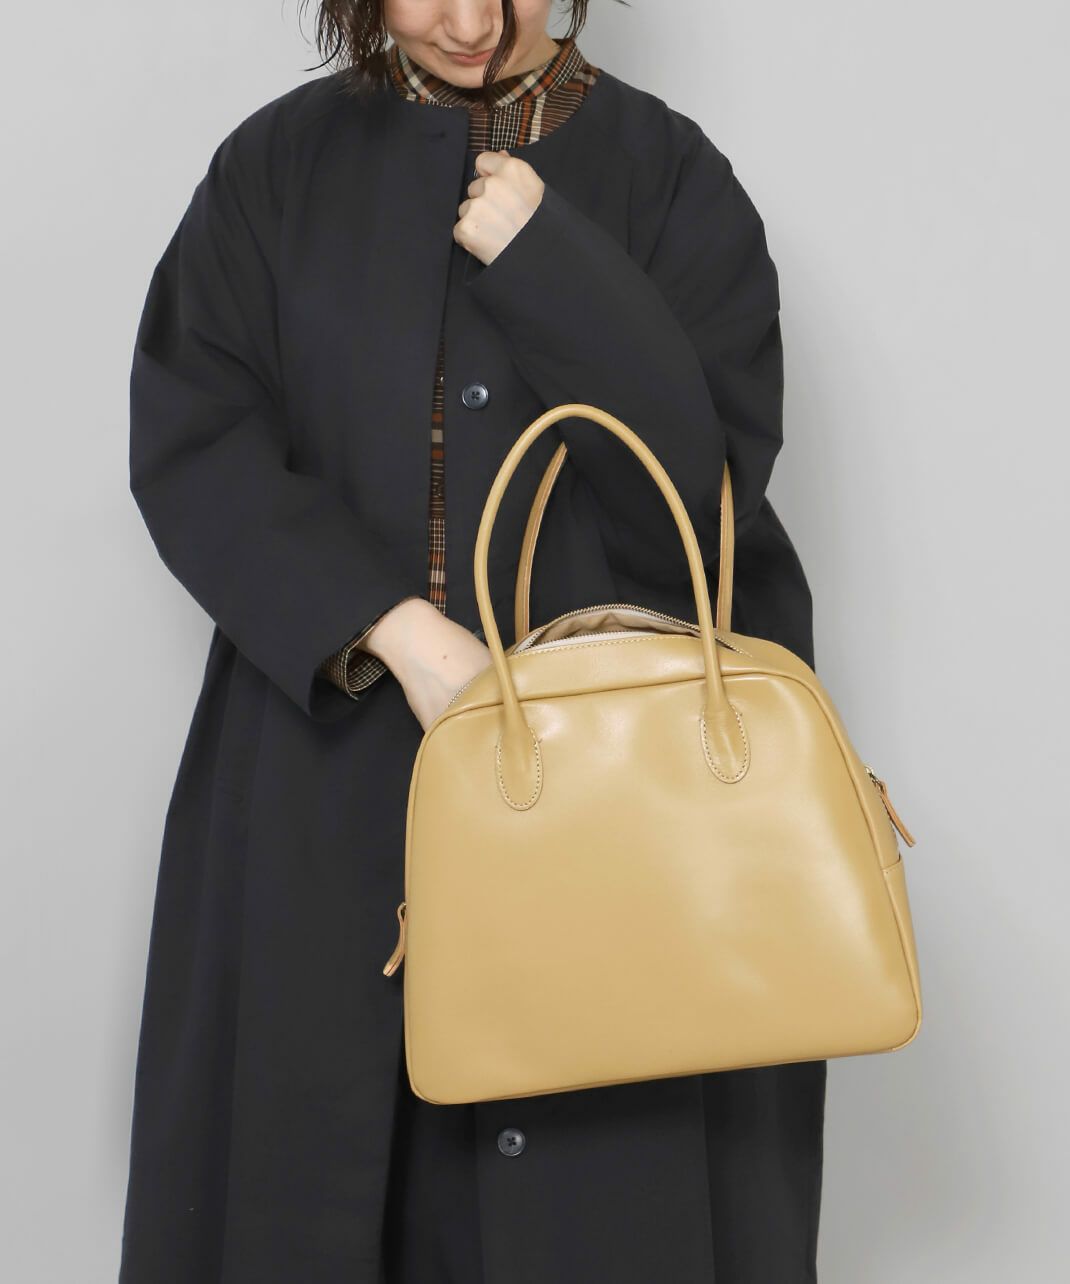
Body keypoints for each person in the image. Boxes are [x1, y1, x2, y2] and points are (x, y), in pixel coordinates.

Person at [117, 2, 826, 1281]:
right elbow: (195, 441)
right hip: (324, 785)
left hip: (612, 808)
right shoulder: (273, 171)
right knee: (320, 1182)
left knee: (595, 1189)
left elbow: (699, 509)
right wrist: (395, 632)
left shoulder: (672, 179)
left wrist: (554, 265)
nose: (465, 21)